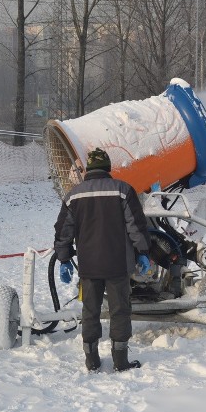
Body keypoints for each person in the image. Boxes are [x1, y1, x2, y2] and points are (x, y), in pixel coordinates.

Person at [53, 148, 151, 372]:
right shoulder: (123, 191)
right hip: (118, 265)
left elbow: (63, 230)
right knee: (120, 311)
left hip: (89, 267)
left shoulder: (74, 195)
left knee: (90, 312)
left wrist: (64, 258)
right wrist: (143, 251)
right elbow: (136, 225)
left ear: (88, 170)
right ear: (108, 169)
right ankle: (120, 361)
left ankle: (92, 360)